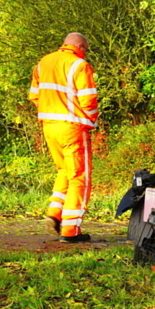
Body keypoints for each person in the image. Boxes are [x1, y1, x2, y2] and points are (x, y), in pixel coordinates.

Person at [29, 33, 98, 243]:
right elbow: (88, 100)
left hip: (49, 127)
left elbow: (34, 95)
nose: (85, 52)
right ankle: (70, 230)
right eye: (86, 48)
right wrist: (90, 122)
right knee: (79, 177)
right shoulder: (79, 65)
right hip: (72, 127)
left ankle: (54, 214)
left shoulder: (44, 62)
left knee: (64, 171)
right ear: (80, 46)